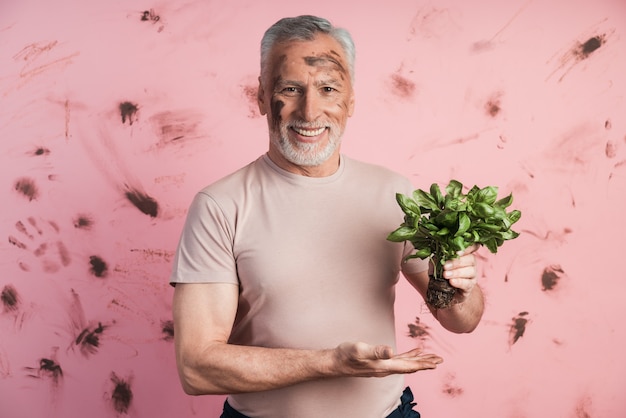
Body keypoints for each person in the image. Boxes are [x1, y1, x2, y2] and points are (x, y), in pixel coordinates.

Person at [170, 15, 484, 418]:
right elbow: (196, 369)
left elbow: (461, 321)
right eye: (290, 89)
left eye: (328, 88)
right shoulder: (220, 205)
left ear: (351, 99)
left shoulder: (396, 193)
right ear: (263, 96)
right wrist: (330, 363)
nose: (310, 110)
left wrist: (461, 287)